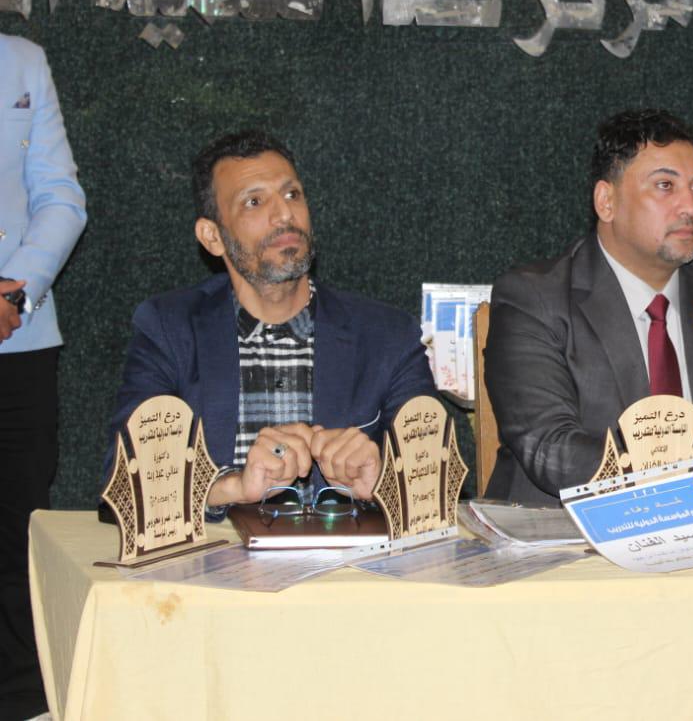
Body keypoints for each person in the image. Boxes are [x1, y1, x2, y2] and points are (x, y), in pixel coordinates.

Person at [484, 108, 693, 507]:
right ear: (606, 202)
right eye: (665, 185)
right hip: (568, 531)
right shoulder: (534, 298)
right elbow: (551, 449)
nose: (690, 206)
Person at [107, 130, 433, 508]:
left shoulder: (388, 335)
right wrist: (235, 487)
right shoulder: (170, 329)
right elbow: (125, 482)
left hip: (347, 547)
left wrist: (383, 484)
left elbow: (435, 483)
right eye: (254, 202)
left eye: (292, 195)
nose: (284, 215)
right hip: (219, 547)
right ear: (212, 237)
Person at [0, 35, 87, 720]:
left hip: (16, 340)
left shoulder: (22, 60)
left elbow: (60, 197)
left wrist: (14, 291)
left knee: (14, 538)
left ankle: (24, 701)